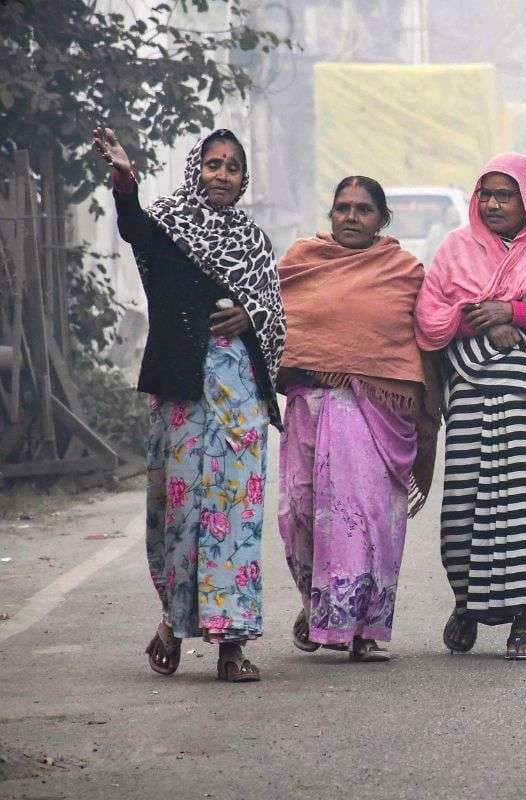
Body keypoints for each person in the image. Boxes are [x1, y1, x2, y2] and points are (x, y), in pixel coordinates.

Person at [92, 126, 286, 683]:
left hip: (241, 393)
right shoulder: (168, 226)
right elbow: (132, 227)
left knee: (235, 517)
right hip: (181, 389)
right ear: (195, 170)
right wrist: (126, 180)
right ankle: (171, 625)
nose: (221, 175)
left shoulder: (254, 241)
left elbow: (275, 314)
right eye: (212, 164)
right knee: (181, 515)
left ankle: (232, 644)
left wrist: (251, 316)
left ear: (243, 180)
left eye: (231, 167)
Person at [415, 153, 526, 661]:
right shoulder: (454, 248)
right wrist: (484, 323)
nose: (493, 203)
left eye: (505, 194)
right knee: (464, 507)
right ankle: (465, 605)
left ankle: (521, 622)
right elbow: (430, 316)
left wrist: (514, 310)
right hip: (470, 395)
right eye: (485, 193)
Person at [275, 176, 440, 663]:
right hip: (308, 407)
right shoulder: (301, 262)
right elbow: (272, 322)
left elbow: (426, 336)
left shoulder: (403, 271)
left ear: (381, 220)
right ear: (330, 214)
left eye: (363, 210)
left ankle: (365, 627)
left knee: (364, 519)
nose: (351, 217)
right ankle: (318, 607)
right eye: (342, 208)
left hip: (375, 416)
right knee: (300, 514)